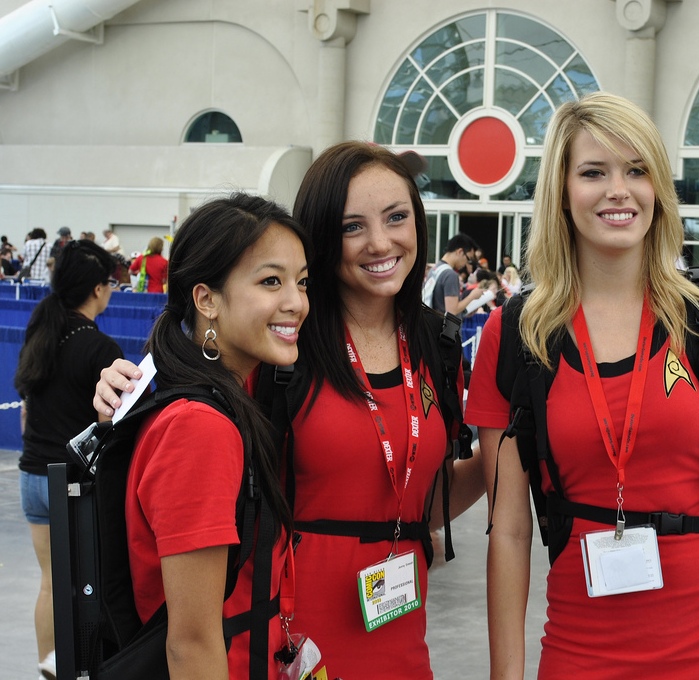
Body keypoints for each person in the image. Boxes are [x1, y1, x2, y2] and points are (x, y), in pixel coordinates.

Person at [94, 142, 485, 679]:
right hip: (285, 637)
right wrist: (122, 387)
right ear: (323, 236)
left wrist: (504, 457)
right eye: (352, 227)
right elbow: (195, 398)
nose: (380, 242)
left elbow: (422, 496)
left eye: (396, 217)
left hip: (400, 629)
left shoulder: (436, 347)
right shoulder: (279, 342)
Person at [465, 92, 699, 678]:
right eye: (593, 172)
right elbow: (507, 531)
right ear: (560, 189)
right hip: (582, 645)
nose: (618, 190)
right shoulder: (517, 334)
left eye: (637, 170)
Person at [129, 194, 308, 677]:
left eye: (301, 282)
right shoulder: (200, 428)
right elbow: (192, 644)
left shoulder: (228, 396)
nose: (296, 302)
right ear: (206, 298)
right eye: (271, 281)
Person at [14, 239, 124, 680]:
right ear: (97, 289)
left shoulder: (41, 331)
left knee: (50, 582)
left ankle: (50, 668)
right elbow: (112, 424)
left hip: (31, 477)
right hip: (72, 488)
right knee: (85, 587)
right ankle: (78, 668)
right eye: (110, 284)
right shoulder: (100, 349)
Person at [422, 233, 485, 315]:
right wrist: (472, 296)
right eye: (468, 259)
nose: (466, 263)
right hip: (443, 326)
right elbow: (451, 311)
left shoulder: (435, 269)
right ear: (460, 252)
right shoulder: (450, 275)